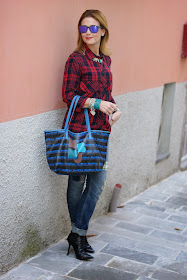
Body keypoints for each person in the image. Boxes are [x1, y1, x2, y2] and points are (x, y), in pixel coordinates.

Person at [62, 9, 121, 261]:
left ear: (103, 31)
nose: (87, 32)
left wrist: (114, 107)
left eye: (93, 28)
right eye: (83, 28)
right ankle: (80, 235)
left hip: (101, 131)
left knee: (97, 183)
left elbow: (107, 94)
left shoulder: (105, 61)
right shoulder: (75, 59)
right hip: (78, 130)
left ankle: (76, 234)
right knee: (77, 182)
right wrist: (96, 104)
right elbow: (68, 95)